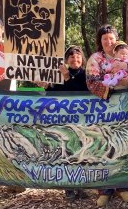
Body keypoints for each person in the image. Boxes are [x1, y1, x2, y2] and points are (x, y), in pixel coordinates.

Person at [85, 24, 128, 206]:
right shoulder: (96, 58)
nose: (108, 41)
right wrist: (111, 85)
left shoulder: (125, 55)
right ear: (100, 41)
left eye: (111, 38)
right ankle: (104, 189)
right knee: (104, 145)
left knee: (123, 144)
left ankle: (123, 187)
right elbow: (91, 81)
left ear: (116, 39)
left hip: (124, 107)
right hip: (103, 107)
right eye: (105, 39)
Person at [37, 45, 88, 200]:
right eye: (71, 56)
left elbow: (83, 92)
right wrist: (45, 86)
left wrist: (67, 78)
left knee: (82, 154)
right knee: (66, 153)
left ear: (82, 59)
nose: (75, 59)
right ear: (66, 60)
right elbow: (53, 95)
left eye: (78, 56)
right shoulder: (56, 75)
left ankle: (81, 187)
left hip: (83, 122)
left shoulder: (88, 75)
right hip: (64, 123)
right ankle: (69, 188)